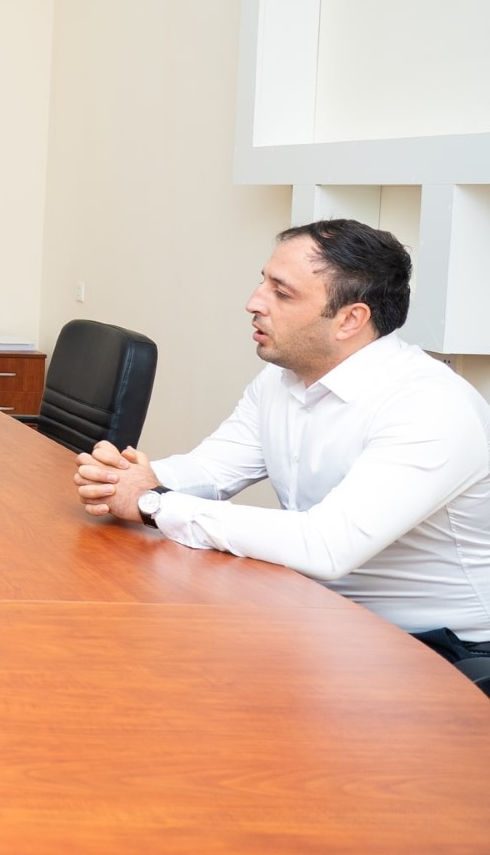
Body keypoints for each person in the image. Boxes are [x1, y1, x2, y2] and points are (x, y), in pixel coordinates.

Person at [73, 219, 490, 657]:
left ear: (351, 319)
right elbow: (212, 469)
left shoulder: (430, 406)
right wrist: (124, 479)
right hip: (321, 614)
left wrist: (155, 502)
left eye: (282, 293)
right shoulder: (282, 378)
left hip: (439, 649)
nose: (253, 302)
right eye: (263, 282)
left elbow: (326, 545)